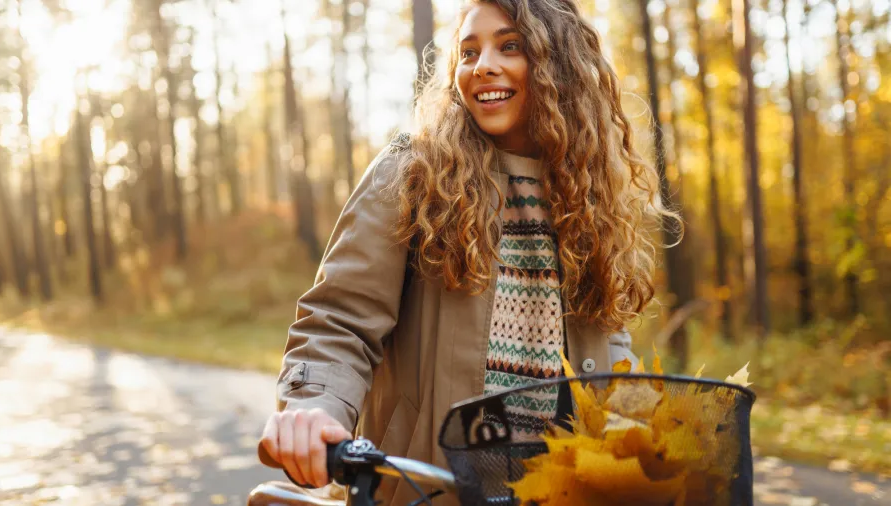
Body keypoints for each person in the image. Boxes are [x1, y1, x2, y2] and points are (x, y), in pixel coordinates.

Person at [259, 0, 676, 504]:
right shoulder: (413, 175)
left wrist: (644, 429)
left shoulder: (587, 198)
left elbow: (608, 346)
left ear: (560, 65)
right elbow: (339, 321)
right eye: (469, 52)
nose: (483, 66)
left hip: (557, 492)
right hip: (427, 488)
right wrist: (315, 407)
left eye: (510, 46)